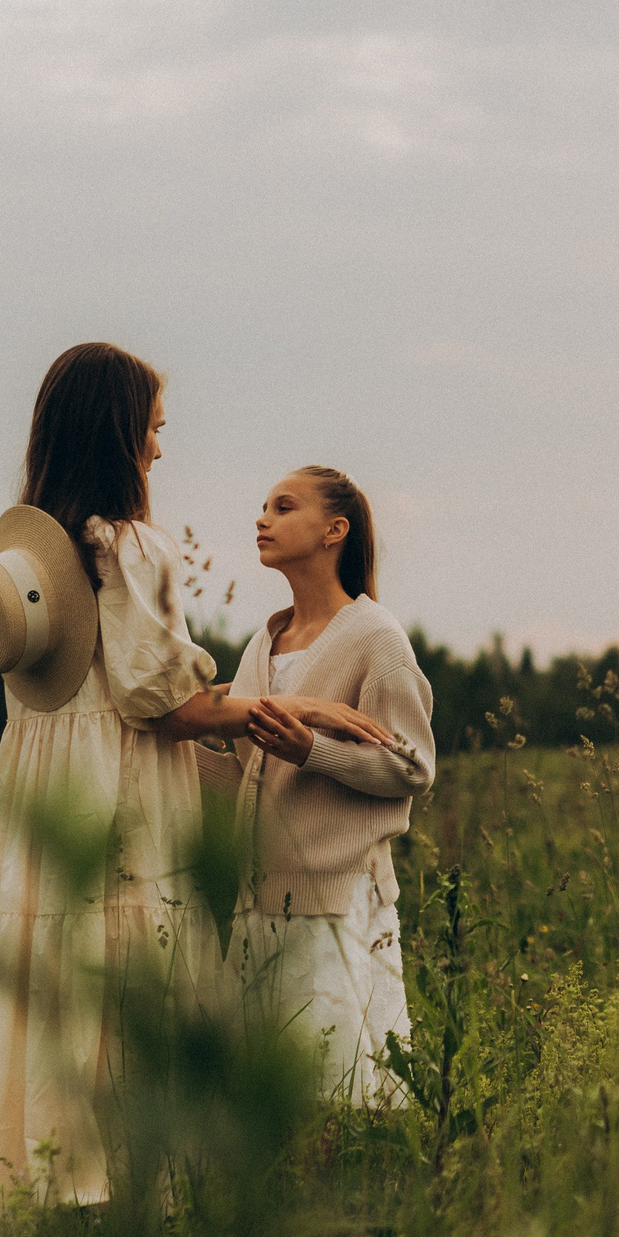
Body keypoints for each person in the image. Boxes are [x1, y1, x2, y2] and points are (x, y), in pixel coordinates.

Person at [0, 342, 258, 1207]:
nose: (160, 449)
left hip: (41, 799)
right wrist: (271, 707)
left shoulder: (28, 564)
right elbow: (164, 703)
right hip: (117, 794)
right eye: (154, 429)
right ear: (121, 432)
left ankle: (38, 1177)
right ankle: (123, 1194)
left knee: (48, 967)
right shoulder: (131, 547)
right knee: (125, 966)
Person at [200, 465, 434, 1105]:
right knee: (266, 1100)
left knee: (338, 1090)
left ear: (335, 530)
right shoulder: (261, 644)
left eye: (283, 506)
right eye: (263, 506)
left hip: (336, 896)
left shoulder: (375, 638)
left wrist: (313, 751)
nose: (262, 518)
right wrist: (162, 748)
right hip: (257, 901)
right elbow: (253, 777)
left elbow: (414, 768)